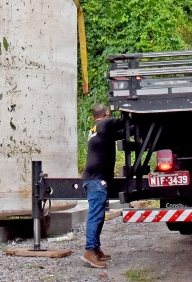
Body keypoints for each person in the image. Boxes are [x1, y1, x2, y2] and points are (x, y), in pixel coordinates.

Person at [81, 102, 124, 267]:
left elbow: (118, 133)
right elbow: (124, 121)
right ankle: (89, 251)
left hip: (93, 178)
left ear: (93, 117)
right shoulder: (105, 124)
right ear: (106, 114)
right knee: (96, 215)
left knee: (98, 215)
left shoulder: (96, 129)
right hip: (96, 179)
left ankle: (96, 248)